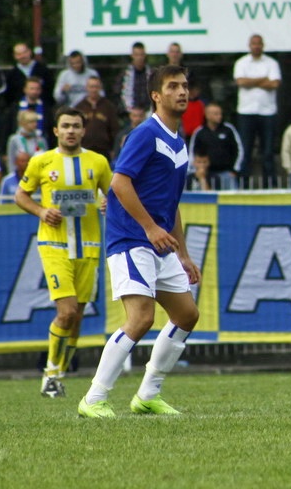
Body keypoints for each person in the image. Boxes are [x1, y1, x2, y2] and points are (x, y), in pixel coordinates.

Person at [78, 64, 200, 418]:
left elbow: (171, 203)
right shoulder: (145, 133)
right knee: (141, 318)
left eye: (185, 85)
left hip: (160, 244)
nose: (181, 91)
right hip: (132, 239)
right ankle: (94, 397)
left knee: (187, 314)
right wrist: (149, 228)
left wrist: (184, 254)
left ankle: (148, 394)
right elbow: (119, 183)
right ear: (155, 96)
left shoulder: (178, 141)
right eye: (173, 86)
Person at [16, 107, 113, 398]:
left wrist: (110, 204)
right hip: (54, 245)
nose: (71, 130)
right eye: (66, 126)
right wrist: (41, 211)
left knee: (77, 316)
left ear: (84, 131)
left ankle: (59, 376)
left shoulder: (98, 162)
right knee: (67, 311)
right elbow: (21, 195)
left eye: (76, 126)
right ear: (56, 131)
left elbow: (114, 194)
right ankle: (50, 374)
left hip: (90, 247)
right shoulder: (42, 161)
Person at [234, 34, 281, 187]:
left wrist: (251, 82)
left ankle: (270, 187)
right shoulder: (241, 63)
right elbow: (240, 82)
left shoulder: (272, 63)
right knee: (245, 151)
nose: (256, 46)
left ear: (263, 45)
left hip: (267, 112)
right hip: (246, 112)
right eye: (253, 44)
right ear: (249, 45)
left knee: (267, 152)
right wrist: (262, 79)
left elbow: (274, 84)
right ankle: (244, 186)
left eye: (259, 43)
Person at [187, 102, 243, 190]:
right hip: (207, 173)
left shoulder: (228, 129)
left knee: (230, 201)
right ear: (207, 115)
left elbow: (239, 149)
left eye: (220, 113)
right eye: (216, 114)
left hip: (226, 173)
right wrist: (195, 170)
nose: (219, 116)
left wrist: (235, 170)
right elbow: (192, 153)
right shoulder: (200, 132)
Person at [75, 75, 120, 161]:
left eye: (96, 87)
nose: (94, 90)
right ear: (87, 88)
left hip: (103, 150)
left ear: (100, 88)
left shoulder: (108, 106)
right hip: (83, 149)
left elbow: (115, 129)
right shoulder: (79, 107)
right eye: (91, 87)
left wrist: (114, 149)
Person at [5, 76, 52, 146]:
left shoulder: (46, 108)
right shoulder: (15, 107)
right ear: (25, 89)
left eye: (37, 89)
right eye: (32, 89)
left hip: (40, 143)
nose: (34, 92)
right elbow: (8, 127)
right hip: (19, 145)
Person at [5, 42, 54, 106]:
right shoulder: (11, 74)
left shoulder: (43, 70)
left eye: (24, 52)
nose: (22, 56)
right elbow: (9, 95)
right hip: (19, 110)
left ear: (29, 52)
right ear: (14, 56)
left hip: (42, 108)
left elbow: (50, 90)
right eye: (18, 54)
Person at [117, 41, 152, 113]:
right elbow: (118, 93)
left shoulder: (151, 73)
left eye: (141, 54)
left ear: (145, 55)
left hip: (148, 112)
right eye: (136, 55)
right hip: (129, 113)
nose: (139, 58)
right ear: (132, 55)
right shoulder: (125, 74)